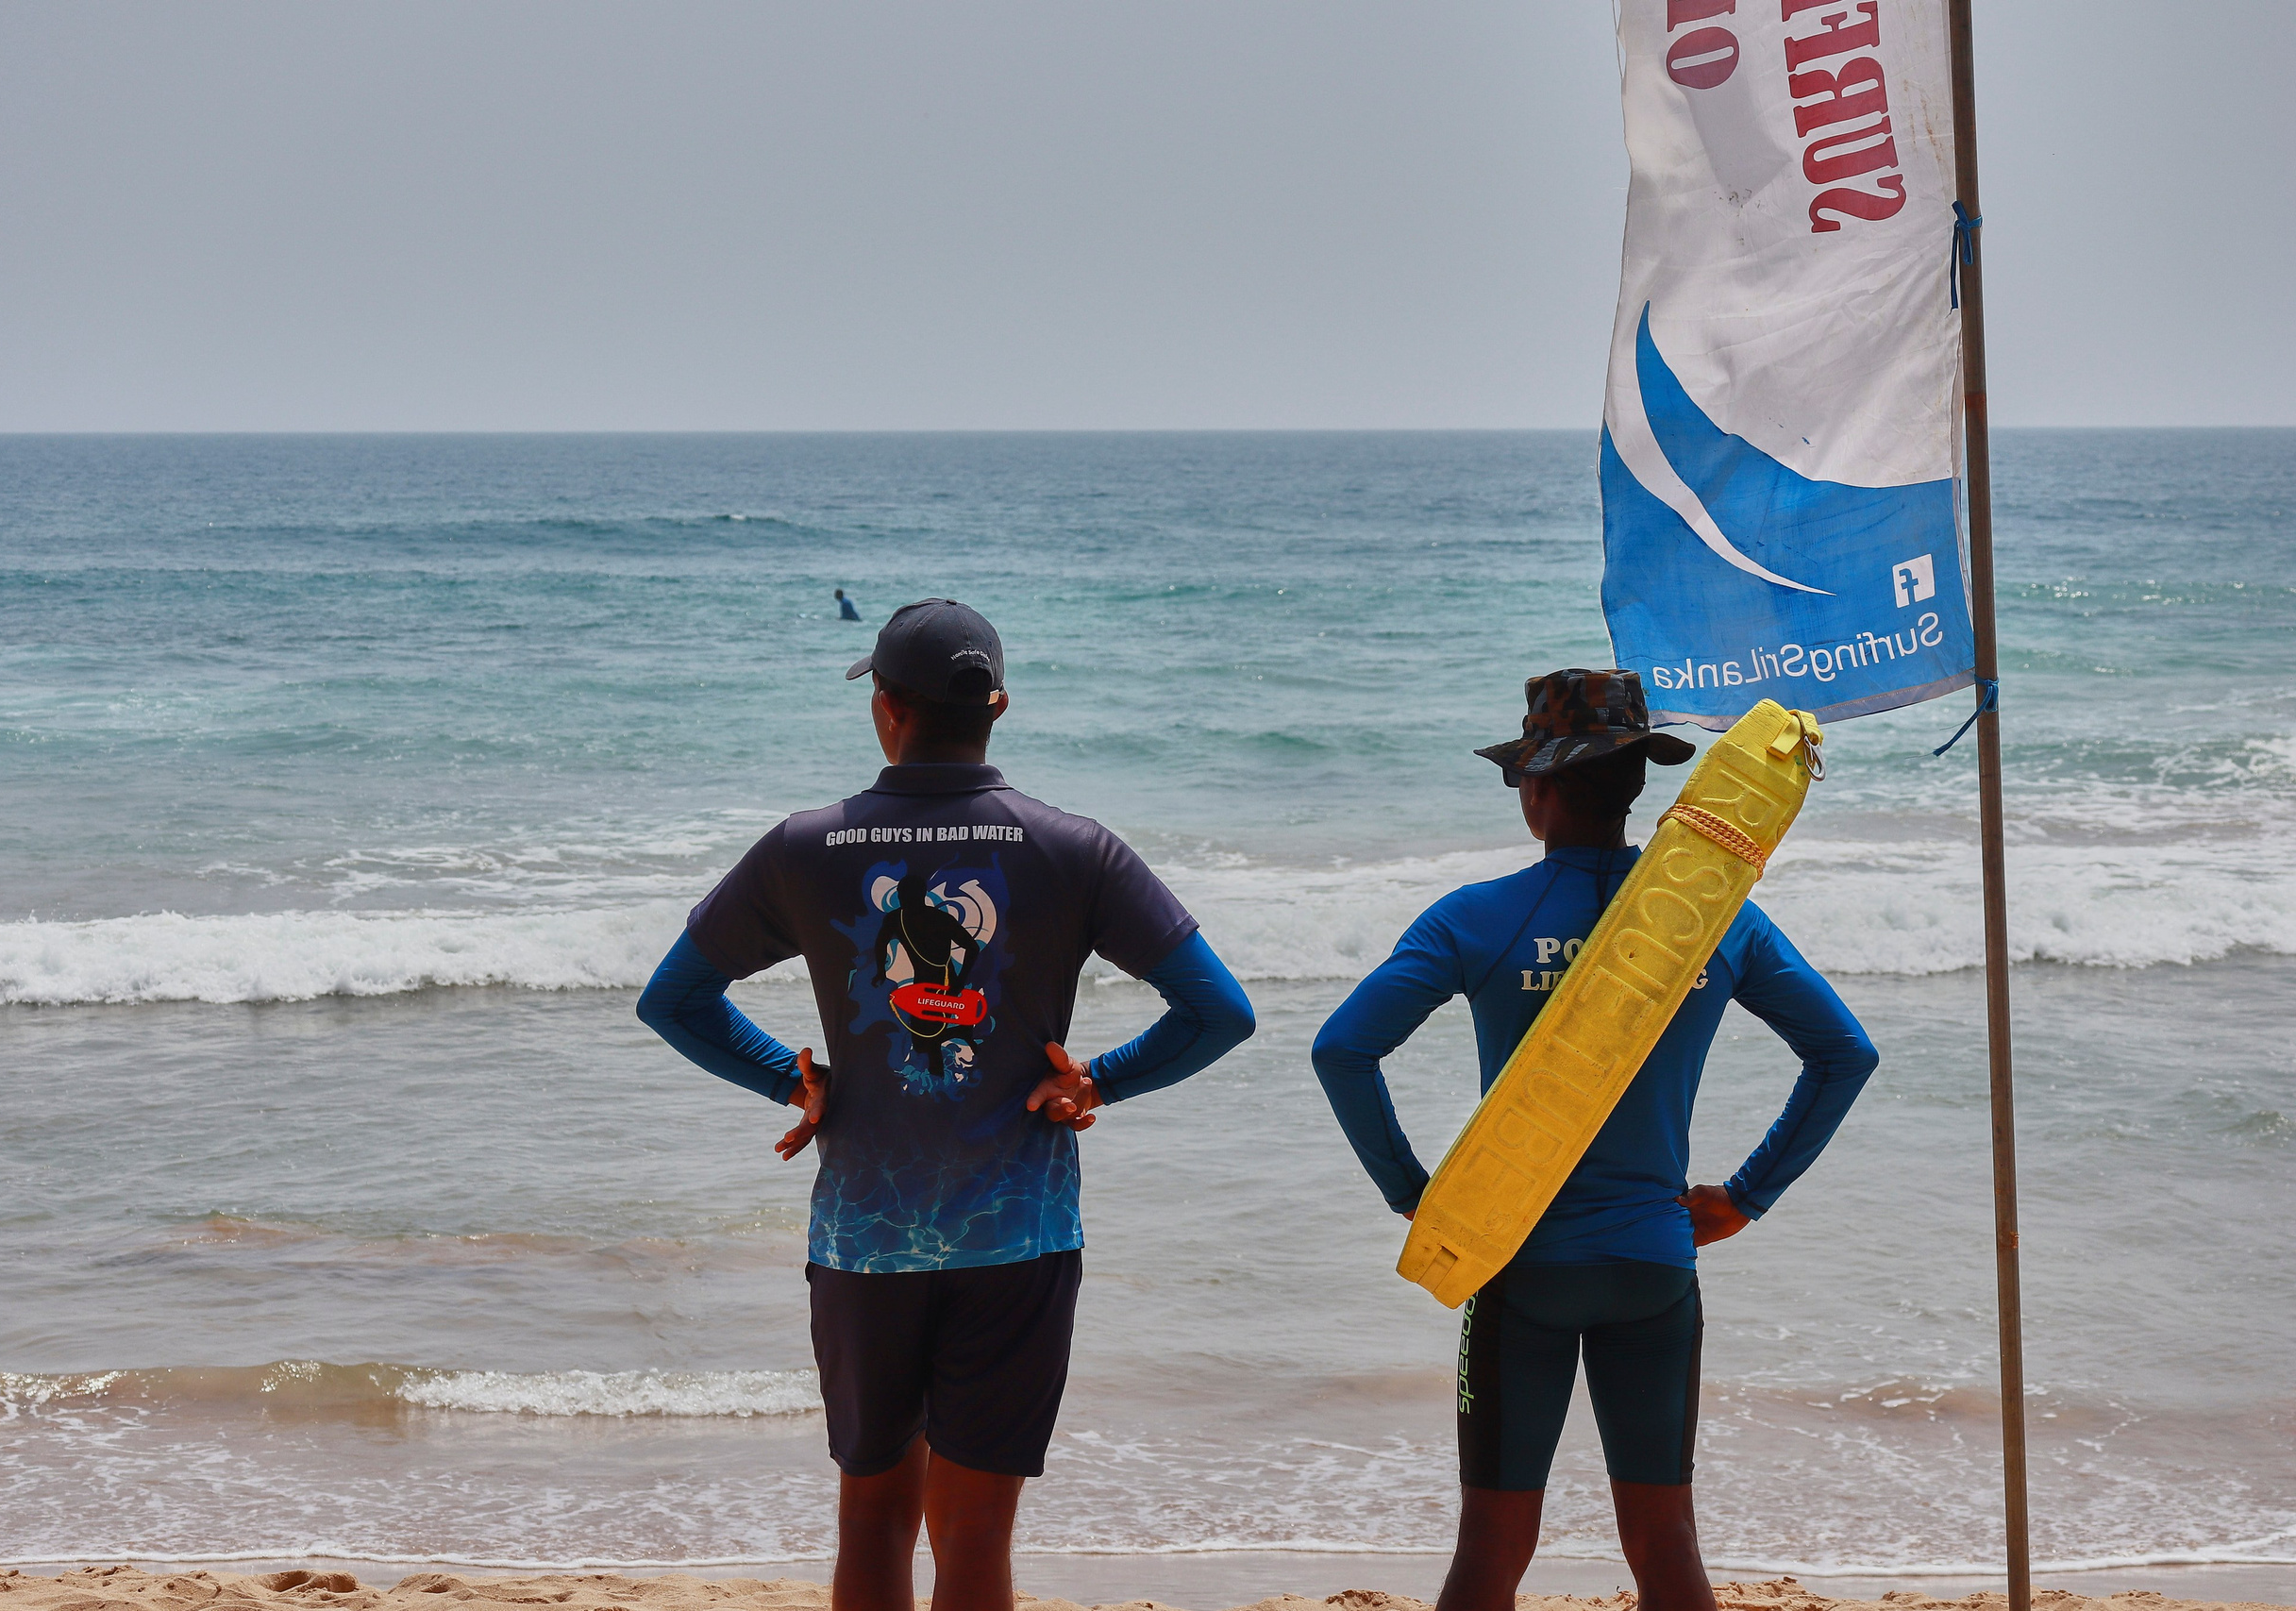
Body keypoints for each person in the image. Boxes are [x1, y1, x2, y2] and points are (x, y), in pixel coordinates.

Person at [638, 597, 1255, 1611]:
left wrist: (789, 1077)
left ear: (886, 709)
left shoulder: (805, 847)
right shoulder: (1075, 848)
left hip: (864, 1240)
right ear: (997, 707)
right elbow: (1216, 1013)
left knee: (871, 1520)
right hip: (1019, 1236)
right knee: (975, 1539)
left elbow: (674, 1000)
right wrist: (1098, 1079)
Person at [1310, 669, 1878, 1611]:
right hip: (1654, 1269)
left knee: (1491, 1547)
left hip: (1519, 1266)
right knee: (1665, 1544)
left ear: (1536, 787)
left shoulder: (1475, 919)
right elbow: (1841, 1056)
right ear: (1636, 784)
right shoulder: (1714, 923)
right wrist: (1745, 1195)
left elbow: (1343, 1052)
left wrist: (1412, 1190)